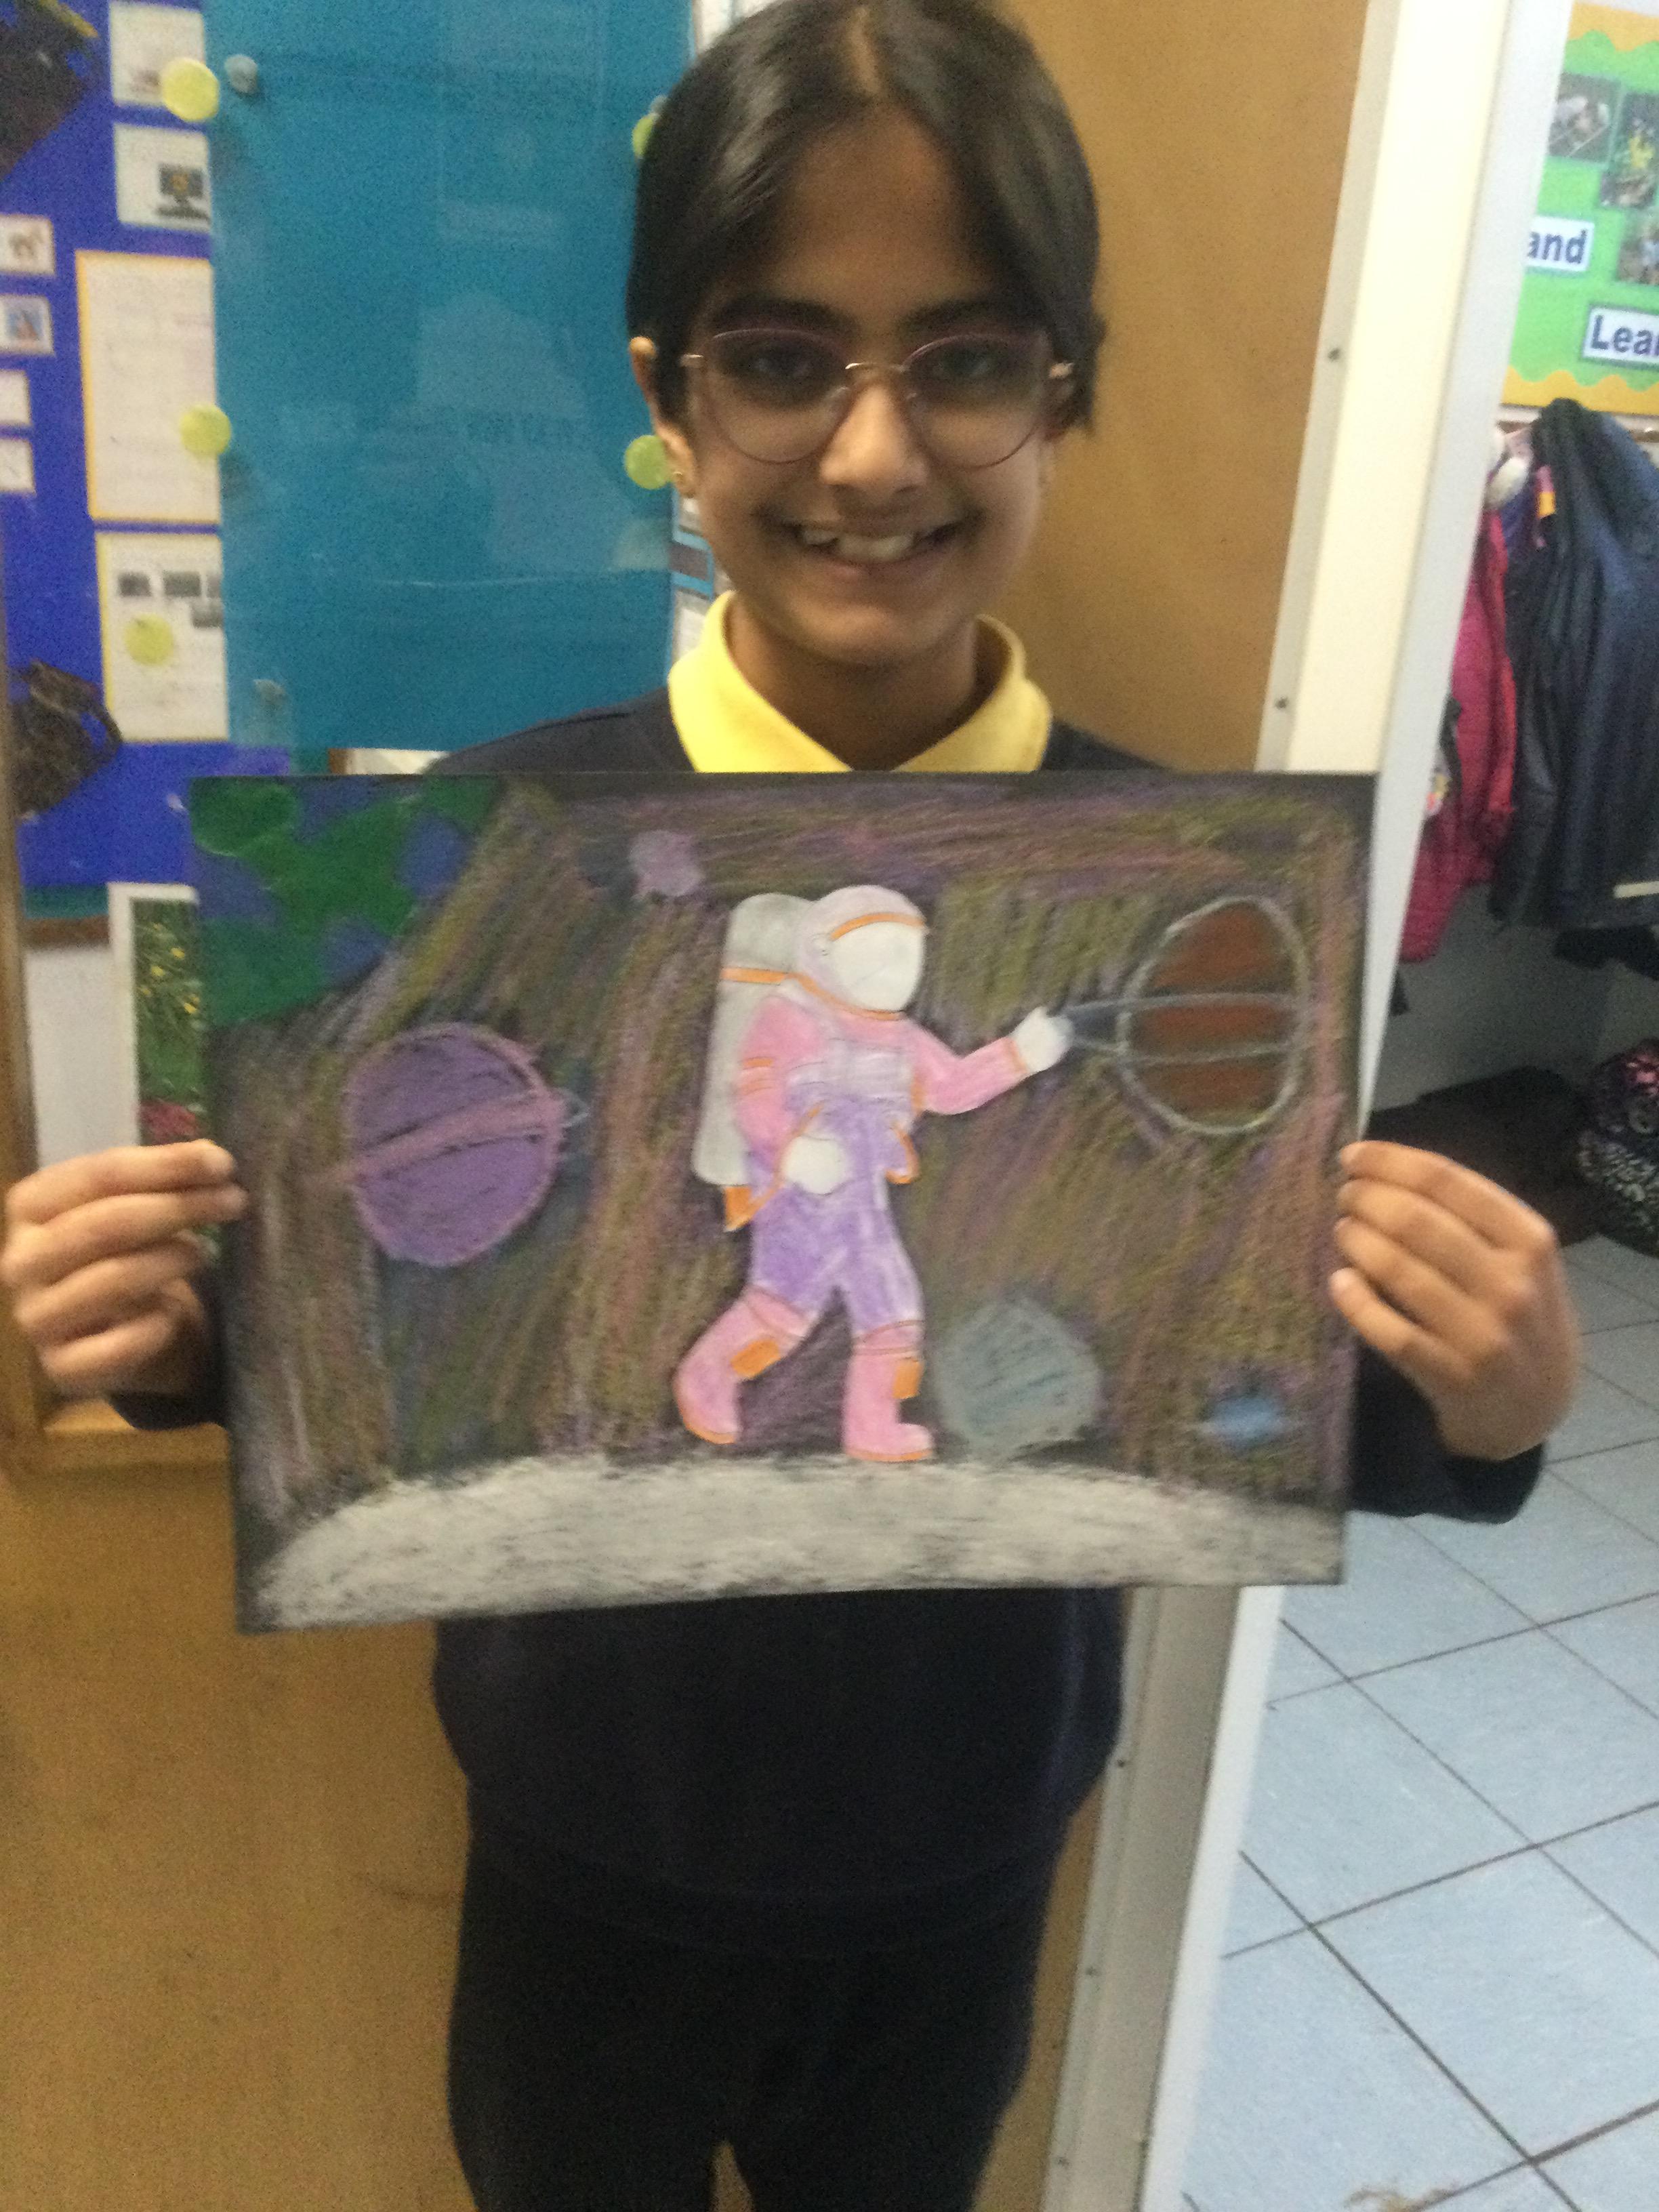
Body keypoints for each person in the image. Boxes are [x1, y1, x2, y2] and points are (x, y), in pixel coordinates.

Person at [0, 4, 1579, 2208]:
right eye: (780, 358)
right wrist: (176, 1328)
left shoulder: (1190, 883)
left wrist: (1490, 1402)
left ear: (1064, 390)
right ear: (669, 397)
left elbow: (1257, 1363)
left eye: (966, 357)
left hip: (964, 1868)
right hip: (580, 1866)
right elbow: (381, 1304)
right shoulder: (473, 854)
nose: (871, 454)